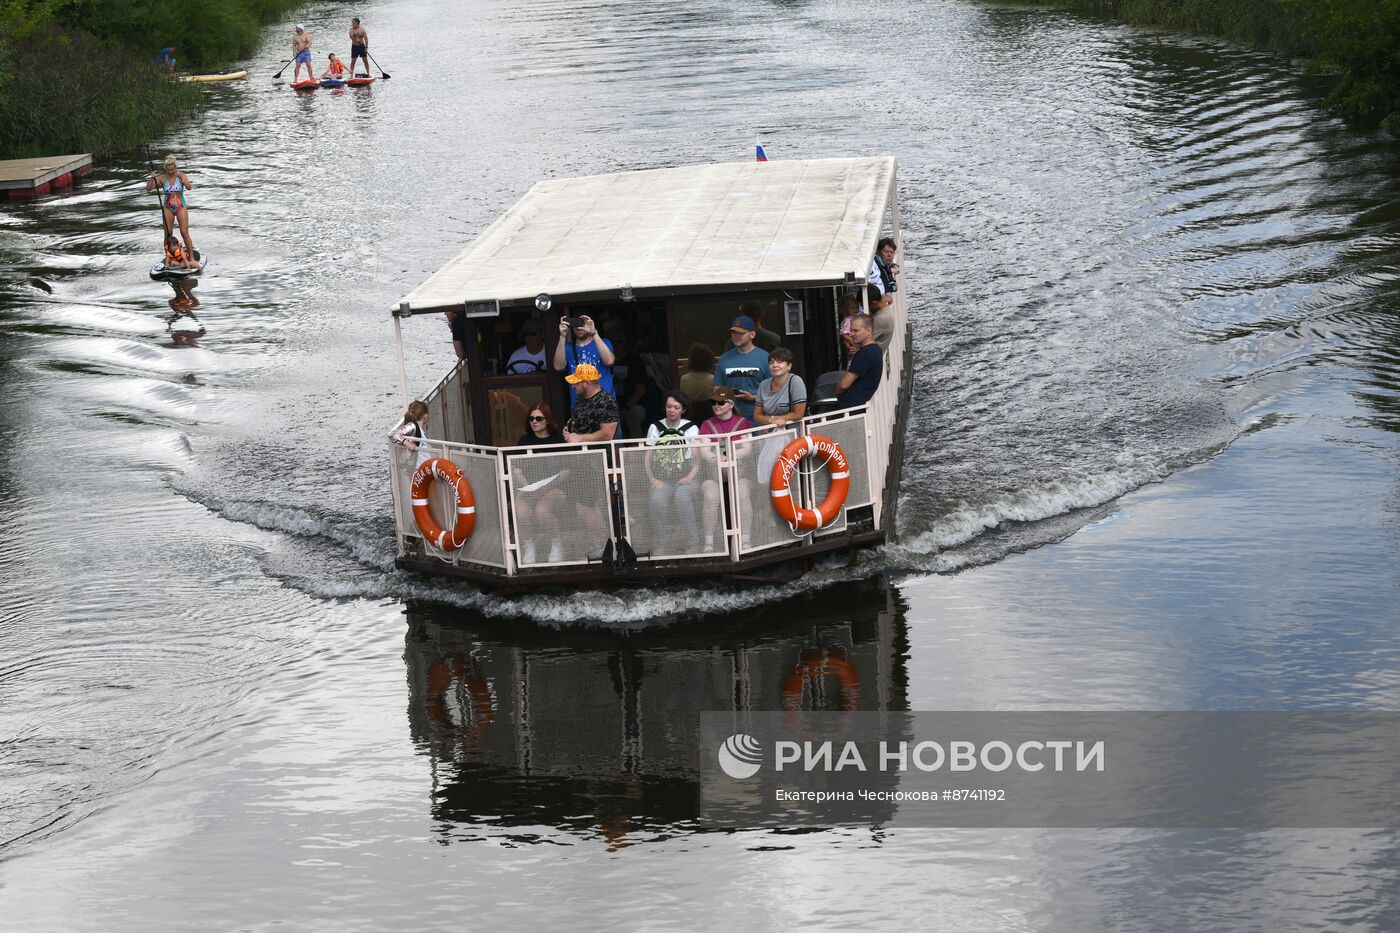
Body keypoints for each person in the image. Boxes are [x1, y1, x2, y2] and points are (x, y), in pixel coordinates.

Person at [698, 386, 754, 551]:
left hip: (739, 473)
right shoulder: (707, 424)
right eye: (713, 402)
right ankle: (709, 542)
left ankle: (745, 539)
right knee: (710, 496)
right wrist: (718, 459)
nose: (716, 405)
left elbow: (748, 448)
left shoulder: (743, 423)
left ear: (730, 404)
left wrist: (729, 457)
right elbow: (704, 451)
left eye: (720, 402)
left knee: (743, 493)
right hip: (714, 476)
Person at [645, 390, 701, 546]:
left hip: (687, 478)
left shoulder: (691, 428)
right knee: (656, 500)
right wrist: (652, 479)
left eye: (676, 407)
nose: (671, 410)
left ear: (683, 409)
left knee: (682, 498)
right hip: (662, 479)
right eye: (669, 406)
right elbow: (647, 457)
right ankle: (661, 544)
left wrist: (689, 478)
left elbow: (697, 459)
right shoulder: (655, 427)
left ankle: (693, 542)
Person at [512, 403, 566, 563]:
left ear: (547, 420)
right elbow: (517, 469)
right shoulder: (524, 441)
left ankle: (557, 544)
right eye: (531, 418)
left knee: (542, 510)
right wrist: (527, 485)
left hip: (554, 489)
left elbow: (566, 471)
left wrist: (544, 489)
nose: (534, 422)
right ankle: (529, 546)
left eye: (538, 418)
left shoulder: (559, 440)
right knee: (521, 512)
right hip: (529, 489)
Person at [552, 314, 615, 407]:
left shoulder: (604, 342)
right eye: (576, 323)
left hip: (604, 403)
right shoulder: (568, 348)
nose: (579, 327)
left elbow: (609, 361)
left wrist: (594, 333)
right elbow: (558, 367)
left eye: (583, 323)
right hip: (579, 405)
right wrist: (562, 336)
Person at [714, 314, 769, 421]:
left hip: (760, 419)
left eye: (741, 333)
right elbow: (717, 389)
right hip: (732, 420)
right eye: (734, 332)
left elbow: (775, 392)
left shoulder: (765, 357)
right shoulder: (724, 359)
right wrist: (726, 397)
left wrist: (752, 397)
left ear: (752, 334)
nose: (736, 336)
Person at [146, 155, 194, 255]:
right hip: (168, 208)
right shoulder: (161, 178)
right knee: (168, 234)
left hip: (181, 207)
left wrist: (184, 181)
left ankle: (192, 258)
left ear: (175, 168)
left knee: (184, 232)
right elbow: (148, 189)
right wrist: (152, 178)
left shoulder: (181, 175)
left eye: (172, 169)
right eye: (168, 170)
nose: (170, 171)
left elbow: (189, 188)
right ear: (166, 169)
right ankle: (169, 258)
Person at [561, 363, 618, 443]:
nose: (573, 386)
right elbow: (577, 423)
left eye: (576, 383)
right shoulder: (580, 400)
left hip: (598, 453)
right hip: (578, 452)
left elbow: (607, 435)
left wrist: (579, 437)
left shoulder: (607, 401)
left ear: (586, 383)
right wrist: (570, 430)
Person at [835, 315, 882, 409]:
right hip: (858, 403)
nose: (852, 334)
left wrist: (836, 391)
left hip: (850, 407)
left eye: (856, 331)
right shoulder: (875, 349)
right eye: (851, 330)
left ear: (869, 330)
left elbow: (844, 385)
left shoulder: (865, 353)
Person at [680, 342, 716, 424]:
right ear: (709, 361)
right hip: (710, 418)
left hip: (690, 418)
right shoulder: (713, 379)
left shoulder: (683, 379)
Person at [390, 400, 432, 465]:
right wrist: (407, 443)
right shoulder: (413, 426)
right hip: (418, 469)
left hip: (424, 467)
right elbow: (393, 434)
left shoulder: (419, 429)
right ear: (425, 415)